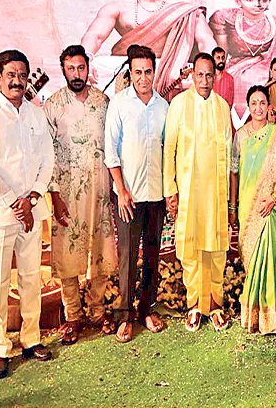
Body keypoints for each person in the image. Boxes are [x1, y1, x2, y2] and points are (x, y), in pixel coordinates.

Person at [0, 50, 54, 379]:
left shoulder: (36, 114)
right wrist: (14, 202)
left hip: (31, 209)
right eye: (11, 75)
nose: (17, 81)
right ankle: (0, 348)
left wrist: (32, 197)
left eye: (22, 75)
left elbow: (47, 159)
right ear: (0, 77)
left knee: (31, 277)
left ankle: (31, 339)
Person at [44, 45, 117, 345]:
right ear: (63, 70)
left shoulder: (103, 103)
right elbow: (46, 154)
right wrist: (54, 196)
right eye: (71, 68)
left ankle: (97, 311)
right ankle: (73, 315)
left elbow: (114, 146)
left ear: (88, 69)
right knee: (68, 254)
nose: (77, 74)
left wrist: (115, 187)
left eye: (81, 68)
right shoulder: (53, 105)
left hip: (100, 192)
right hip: (67, 195)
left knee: (100, 251)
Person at [163, 52, 232, 332]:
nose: (204, 80)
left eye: (209, 75)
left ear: (215, 76)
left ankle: (214, 305)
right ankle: (194, 305)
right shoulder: (179, 105)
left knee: (215, 249)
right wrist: (170, 189)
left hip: (215, 192)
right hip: (188, 192)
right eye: (200, 74)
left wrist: (229, 197)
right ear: (192, 75)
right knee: (191, 250)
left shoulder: (222, 107)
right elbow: (169, 149)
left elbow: (228, 153)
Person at [81, 0, 216, 97]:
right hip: (127, 66)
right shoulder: (117, 8)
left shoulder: (186, 10)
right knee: (96, 65)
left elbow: (205, 41)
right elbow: (95, 36)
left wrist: (208, 67)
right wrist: (85, 59)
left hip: (168, 68)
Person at [105, 45, 168, 343]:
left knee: (153, 255)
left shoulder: (163, 107)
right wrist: (121, 190)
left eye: (148, 72)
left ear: (155, 72)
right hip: (128, 197)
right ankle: (124, 316)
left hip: (156, 195)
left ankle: (146, 309)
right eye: (138, 72)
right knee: (128, 257)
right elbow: (111, 152)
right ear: (130, 73)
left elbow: (169, 150)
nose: (143, 78)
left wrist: (169, 192)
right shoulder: (119, 104)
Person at [229, 85, 276, 335]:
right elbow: (234, 173)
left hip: (270, 206)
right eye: (253, 103)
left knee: (268, 259)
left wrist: (274, 198)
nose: (258, 108)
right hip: (248, 207)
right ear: (248, 107)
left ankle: (269, 317)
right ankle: (253, 315)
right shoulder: (240, 136)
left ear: (269, 107)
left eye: (262, 103)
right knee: (252, 259)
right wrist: (233, 206)